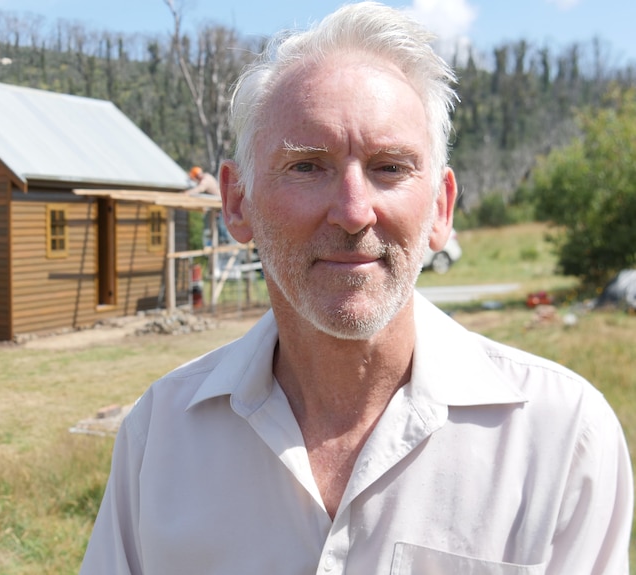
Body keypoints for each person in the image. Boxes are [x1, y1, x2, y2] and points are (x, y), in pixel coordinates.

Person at [80, 3, 633, 574]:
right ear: (237, 202)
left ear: (442, 209)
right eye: (306, 166)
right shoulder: (160, 436)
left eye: (390, 166)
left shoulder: (564, 440)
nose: (352, 212)